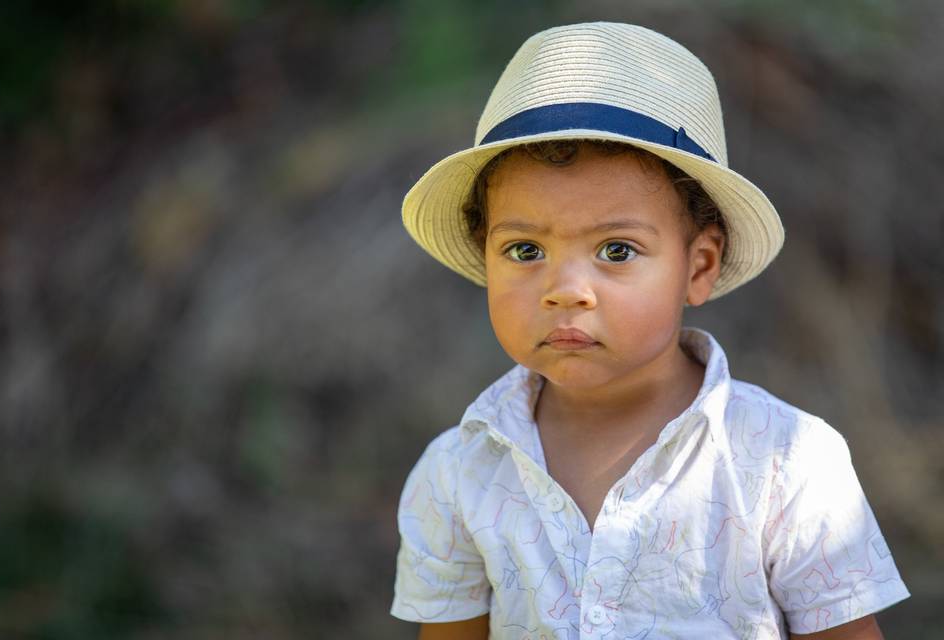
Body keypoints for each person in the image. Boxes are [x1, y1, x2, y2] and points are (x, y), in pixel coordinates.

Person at [389, 22, 909, 640]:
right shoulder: (457, 474)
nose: (566, 288)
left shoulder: (785, 464)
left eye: (616, 249)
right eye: (525, 250)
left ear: (699, 267)